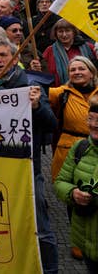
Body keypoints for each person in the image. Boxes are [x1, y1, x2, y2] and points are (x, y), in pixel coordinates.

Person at [0, 40, 58, 274]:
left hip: (27, 167)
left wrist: (36, 107)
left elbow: (51, 124)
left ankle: (51, 269)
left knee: (40, 226)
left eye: (3, 55)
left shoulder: (30, 85)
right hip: (0, 167)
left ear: (15, 59)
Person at [55, 96, 98, 272]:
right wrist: (72, 193)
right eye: (91, 118)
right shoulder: (80, 147)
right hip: (86, 240)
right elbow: (60, 182)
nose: (94, 124)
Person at [43, 19, 97, 87]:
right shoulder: (49, 51)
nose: (64, 35)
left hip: (89, 90)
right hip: (61, 93)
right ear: (55, 33)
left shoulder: (88, 47)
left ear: (74, 32)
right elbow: (44, 74)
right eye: (60, 31)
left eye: (67, 31)